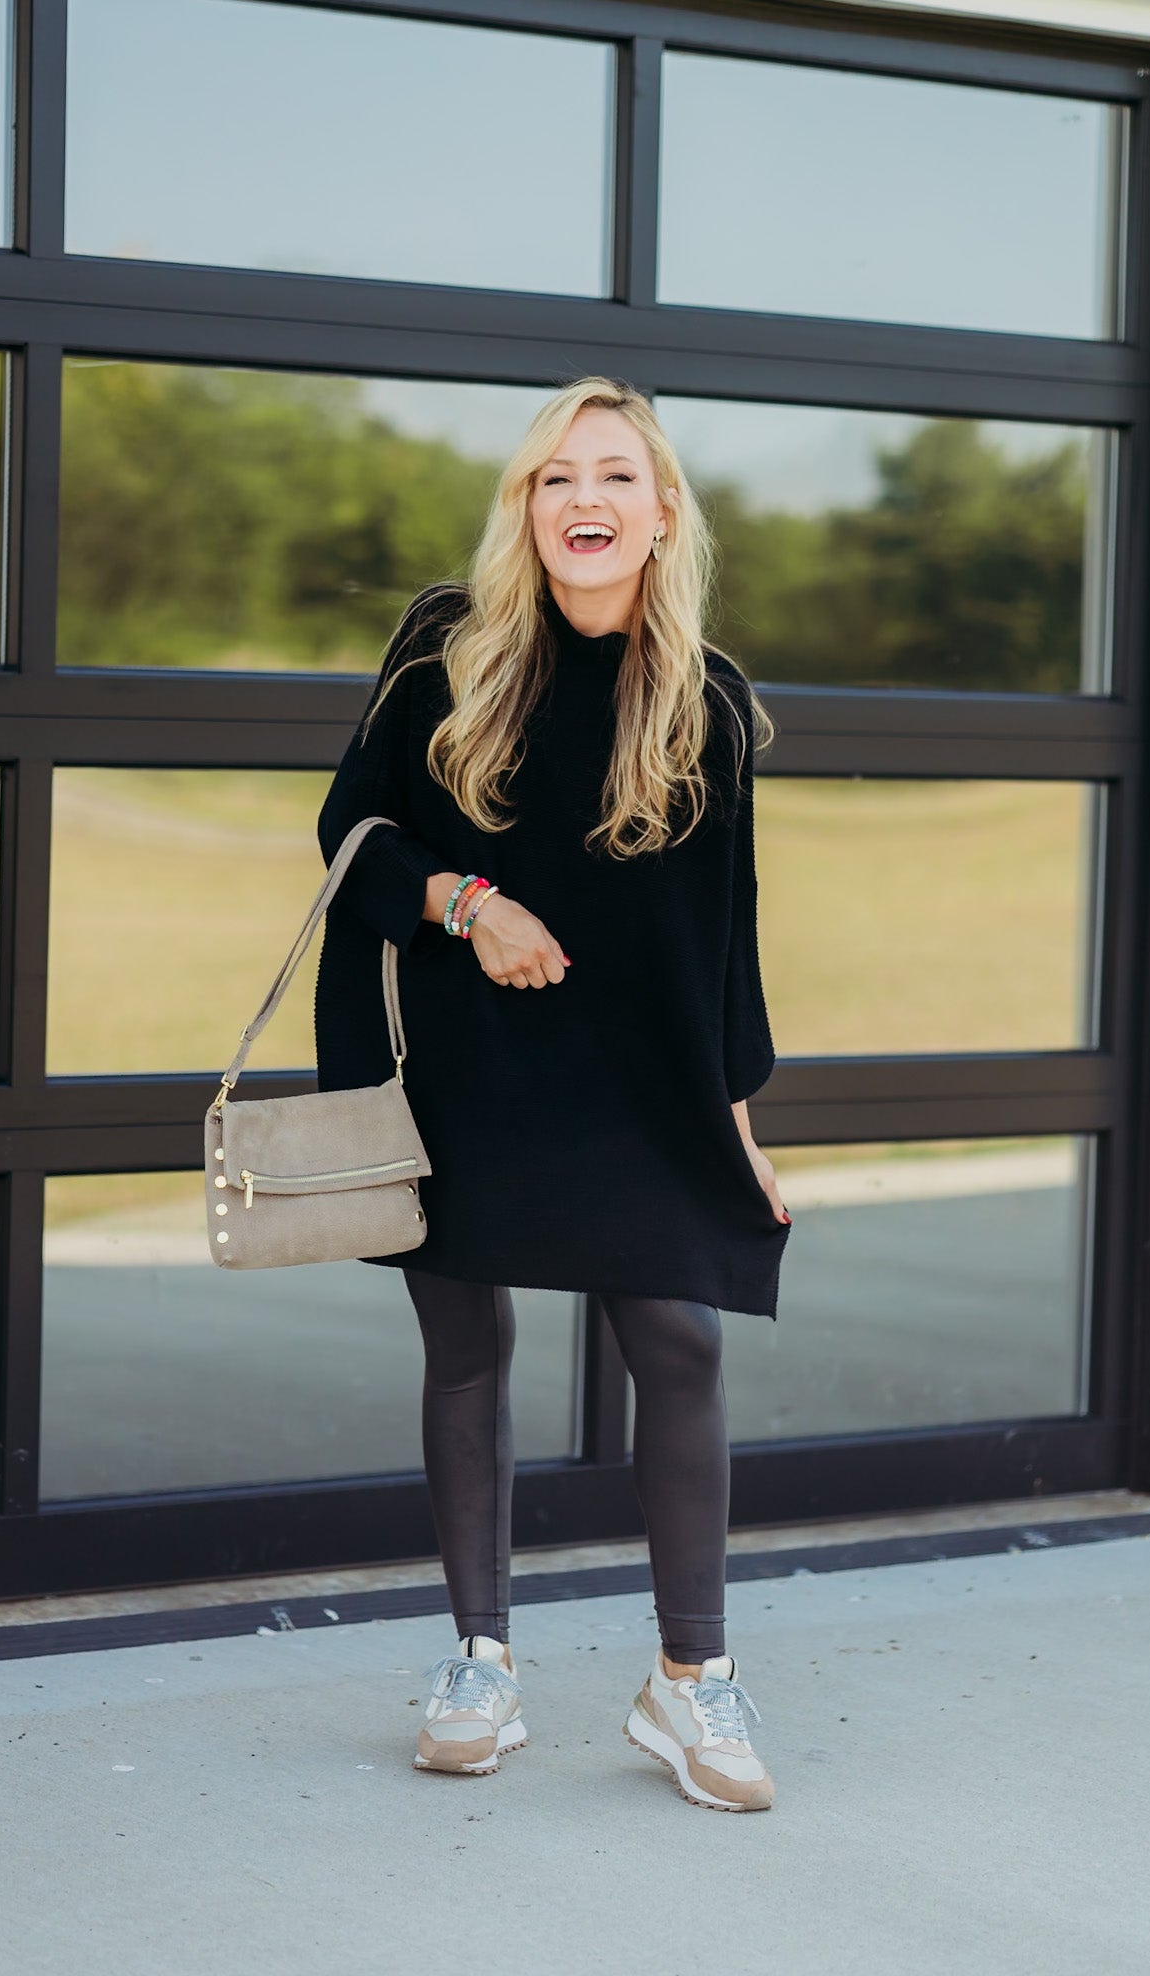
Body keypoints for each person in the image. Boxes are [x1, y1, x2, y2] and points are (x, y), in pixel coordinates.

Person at [314, 376, 792, 1813]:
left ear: (659, 515)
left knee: (682, 1342)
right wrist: (468, 903)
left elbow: (725, 939)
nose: (583, 500)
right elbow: (350, 835)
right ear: (526, 510)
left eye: (614, 478)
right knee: (464, 1350)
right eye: (553, 479)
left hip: (640, 1081)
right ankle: (479, 1660)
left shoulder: (701, 698)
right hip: (466, 1069)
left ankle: (689, 1683)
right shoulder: (442, 670)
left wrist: (737, 1132)